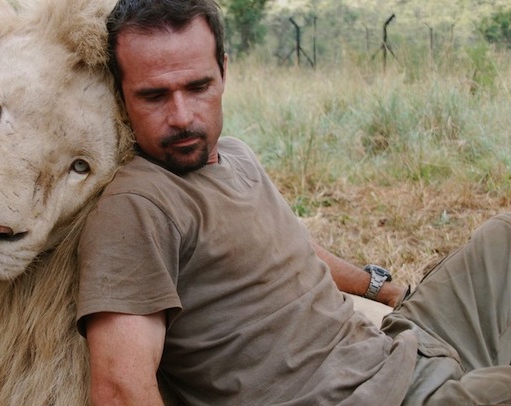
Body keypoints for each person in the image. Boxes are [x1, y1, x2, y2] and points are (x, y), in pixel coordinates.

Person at [76, 0, 511, 404]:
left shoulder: (238, 155)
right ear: (120, 96)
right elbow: (119, 389)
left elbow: (291, 246)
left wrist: (383, 289)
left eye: (198, 86)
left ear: (223, 72)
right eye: (154, 95)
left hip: (402, 350)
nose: (183, 116)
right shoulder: (137, 206)